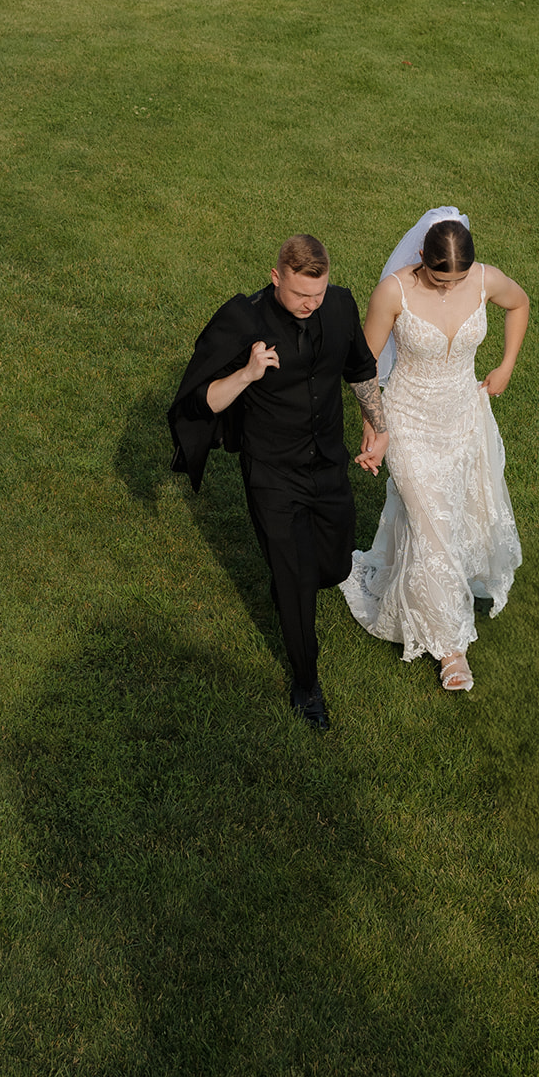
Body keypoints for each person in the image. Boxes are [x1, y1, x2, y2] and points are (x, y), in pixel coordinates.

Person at [168, 235, 388, 731]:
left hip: (328, 462)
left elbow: (359, 368)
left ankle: (294, 578)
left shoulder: (339, 305)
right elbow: (202, 402)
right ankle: (306, 683)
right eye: (300, 295)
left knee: (331, 565)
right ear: (276, 278)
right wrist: (247, 373)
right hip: (272, 472)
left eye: (318, 293)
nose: (311, 304)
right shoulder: (244, 320)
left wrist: (377, 423)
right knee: (296, 585)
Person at [340, 208, 528, 692]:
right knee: (433, 524)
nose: (449, 288)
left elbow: (520, 303)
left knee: (451, 515)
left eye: (458, 279)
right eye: (440, 278)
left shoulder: (484, 280)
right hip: (410, 421)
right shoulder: (395, 291)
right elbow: (362, 367)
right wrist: (376, 429)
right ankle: (451, 650)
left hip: (463, 416)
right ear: (421, 257)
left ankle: (416, 592)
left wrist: (506, 365)